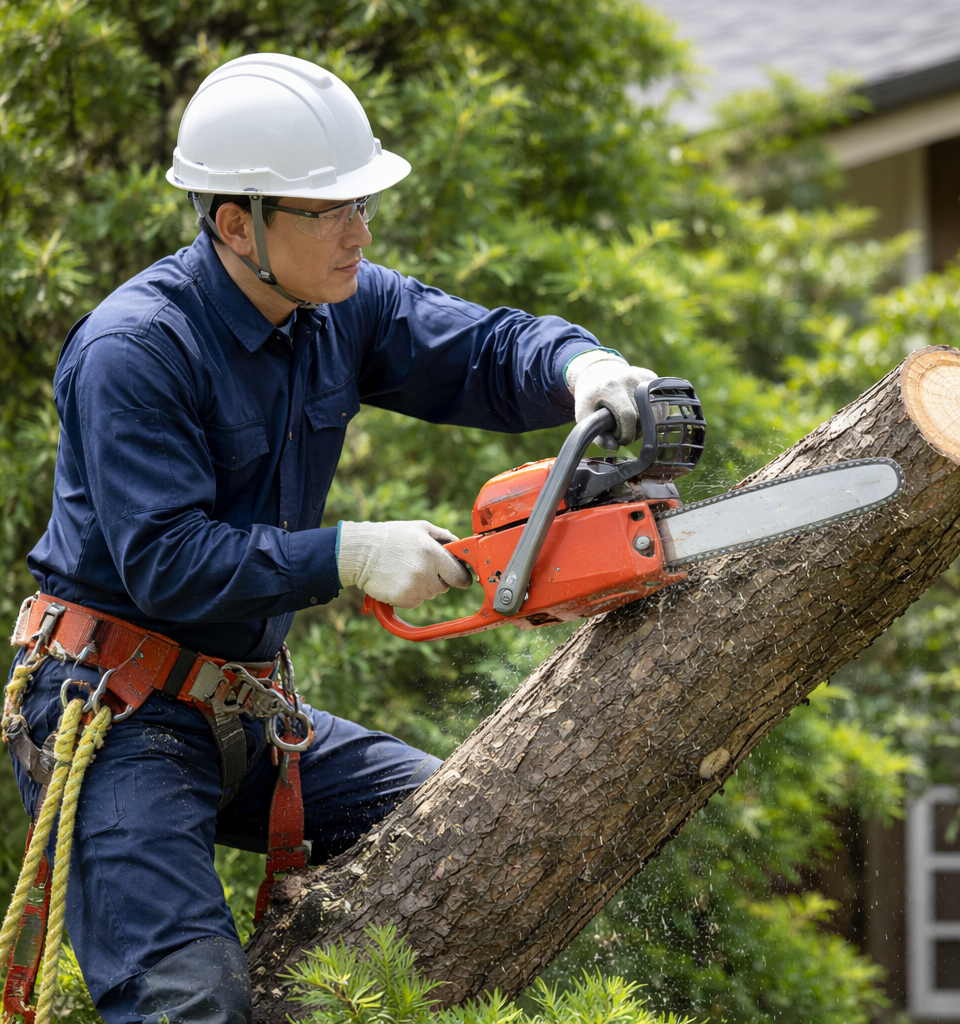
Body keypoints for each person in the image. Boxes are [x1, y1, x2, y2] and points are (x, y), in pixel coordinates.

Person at [3, 53, 662, 1024]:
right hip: (119, 714)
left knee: (466, 822)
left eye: (362, 204)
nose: (360, 232)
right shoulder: (133, 350)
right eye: (332, 210)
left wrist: (579, 365)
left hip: (246, 707)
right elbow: (169, 563)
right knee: (186, 999)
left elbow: (478, 348)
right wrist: (347, 554)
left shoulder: (339, 307)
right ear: (237, 222)